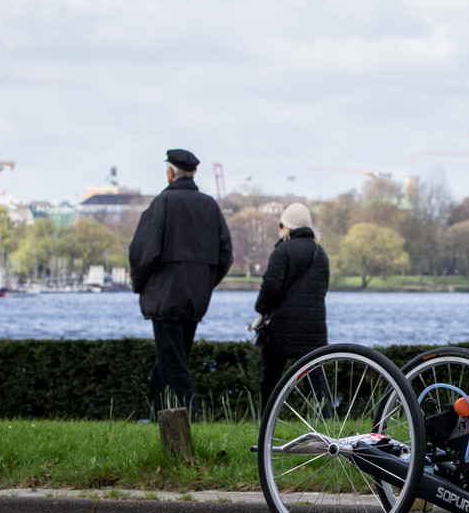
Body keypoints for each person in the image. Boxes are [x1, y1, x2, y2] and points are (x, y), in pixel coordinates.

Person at [128, 149, 233, 418]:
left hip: (165, 297)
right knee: (172, 357)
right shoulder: (209, 206)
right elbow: (225, 254)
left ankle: (192, 418)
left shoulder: (162, 204)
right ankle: (155, 413)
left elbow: (143, 251)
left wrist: (140, 284)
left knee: (173, 362)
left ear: (170, 173)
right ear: (194, 172)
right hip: (195, 297)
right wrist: (206, 282)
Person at [252, 202, 329, 409]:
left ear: (287, 226)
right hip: (313, 329)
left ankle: (267, 421)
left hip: (282, 327)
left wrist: (260, 309)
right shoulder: (320, 252)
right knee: (316, 381)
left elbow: (271, 286)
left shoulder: (282, 250)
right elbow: (323, 288)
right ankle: (327, 421)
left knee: (271, 380)